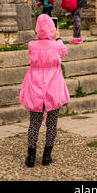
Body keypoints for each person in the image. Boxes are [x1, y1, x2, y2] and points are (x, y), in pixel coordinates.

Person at [19, 14, 70, 167]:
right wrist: (58, 38)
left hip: (35, 85)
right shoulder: (58, 45)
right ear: (52, 28)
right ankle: (47, 156)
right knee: (52, 122)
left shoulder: (31, 45)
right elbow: (64, 52)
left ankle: (31, 157)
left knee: (34, 122)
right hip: (53, 85)